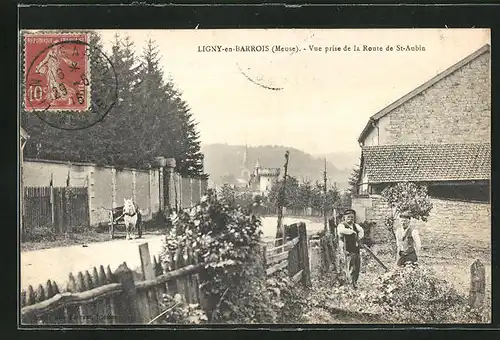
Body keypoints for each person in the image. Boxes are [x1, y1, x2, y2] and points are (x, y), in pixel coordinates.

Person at [337, 209, 364, 289]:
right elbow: (342, 231)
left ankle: (355, 282)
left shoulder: (356, 225)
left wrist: (358, 236)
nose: (350, 219)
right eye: (348, 217)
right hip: (347, 249)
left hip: (356, 249)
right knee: (350, 266)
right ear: (344, 217)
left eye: (352, 217)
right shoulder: (341, 225)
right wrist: (352, 232)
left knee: (357, 266)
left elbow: (361, 231)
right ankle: (350, 283)